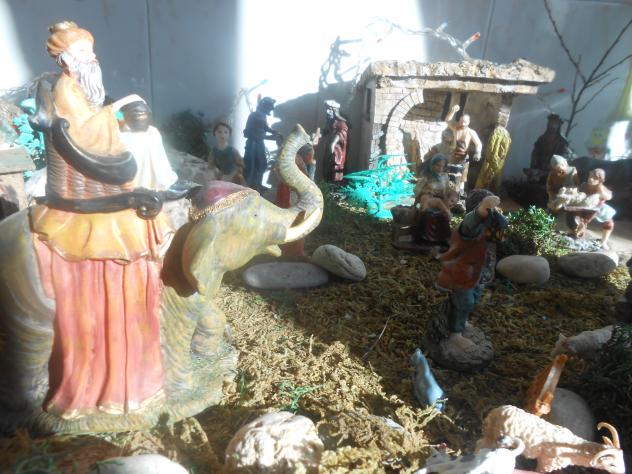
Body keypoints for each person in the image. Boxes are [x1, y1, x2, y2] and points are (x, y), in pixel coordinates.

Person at [30, 21, 173, 419]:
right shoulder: (65, 90)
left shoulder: (81, 88)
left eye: (91, 51)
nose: (91, 58)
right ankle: (103, 380)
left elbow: (93, 122)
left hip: (96, 170)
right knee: (138, 225)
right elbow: (85, 136)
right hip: (84, 184)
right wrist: (114, 110)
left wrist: (111, 114)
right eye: (82, 53)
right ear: (65, 59)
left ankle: (134, 376)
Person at [436, 189, 507, 357]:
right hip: (462, 274)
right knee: (464, 302)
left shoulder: (488, 226)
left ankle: (462, 323)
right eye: (489, 209)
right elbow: (471, 222)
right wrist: (482, 209)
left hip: (477, 274)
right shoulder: (469, 226)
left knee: (473, 300)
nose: (493, 212)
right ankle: (455, 334)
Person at [119, 100, 179, 190]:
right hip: (137, 185)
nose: (141, 117)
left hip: (138, 185)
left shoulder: (152, 133)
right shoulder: (151, 133)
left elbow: (118, 117)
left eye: (143, 114)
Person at [412, 154, 455, 246]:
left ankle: (444, 237)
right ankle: (424, 237)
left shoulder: (444, 177)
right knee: (435, 204)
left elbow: (447, 190)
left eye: (442, 166)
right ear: (432, 165)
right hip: (427, 199)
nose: (440, 168)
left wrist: (451, 195)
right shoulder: (427, 177)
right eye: (438, 165)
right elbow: (416, 189)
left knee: (442, 211)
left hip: (440, 199)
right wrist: (426, 191)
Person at [243, 97, 282, 190]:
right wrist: (270, 137)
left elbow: (265, 127)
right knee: (251, 166)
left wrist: (274, 132)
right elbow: (252, 132)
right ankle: (247, 186)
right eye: (270, 107)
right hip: (252, 144)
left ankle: (257, 185)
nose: (271, 110)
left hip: (259, 143)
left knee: (262, 164)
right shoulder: (254, 115)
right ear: (264, 106)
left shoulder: (262, 115)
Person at [445, 105, 482, 192]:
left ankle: (460, 192)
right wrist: (452, 111)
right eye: (461, 121)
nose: (462, 123)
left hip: (464, 157)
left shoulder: (471, 132)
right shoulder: (455, 128)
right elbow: (447, 120)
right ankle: (447, 189)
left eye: (465, 122)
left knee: (462, 177)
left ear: (468, 122)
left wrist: (478, 152)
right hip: (453, 155)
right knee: (448, 172)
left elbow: (478, 143)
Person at [527, 113, 572, 184]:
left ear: (559, 125)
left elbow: (564, 157)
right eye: (551, 123)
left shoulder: (562, 141)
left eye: (555, 123)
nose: (552, 126)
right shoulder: (542, 139)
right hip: (539, 168)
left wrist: (553, 166)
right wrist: (534, 166)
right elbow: (535, 153)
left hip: (553, 170)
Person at [578, 168, 616, 249]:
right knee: (579, 222)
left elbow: (608, 197)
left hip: (598, 208)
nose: (591, 179)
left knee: (609, 223)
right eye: (590, 176)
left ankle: (604, 241)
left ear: (600, 180)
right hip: (584, 208)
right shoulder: (584, 186)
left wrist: (600, 191)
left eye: (594, 178)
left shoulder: (601, 188)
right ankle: (575, 235)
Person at [546, 154, 580, 233]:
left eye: (562, 165)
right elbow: (549, 187)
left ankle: (573, 230)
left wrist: (572, 191)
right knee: (552, 209)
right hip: (557, 196)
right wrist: (552, 196)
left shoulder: (572, 171)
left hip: (570, 196)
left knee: (571, 212)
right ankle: (547, 226)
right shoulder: (553, 174)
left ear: (565, 163)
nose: (561, 168)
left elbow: (577, 185)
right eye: (558, 167)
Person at [208, 121, 245, 185]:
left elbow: (241, 165)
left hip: (235, 177)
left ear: (229, 135)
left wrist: (231, 175)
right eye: (219, 132)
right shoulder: (213, 151)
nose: (222, 135)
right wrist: (216, 173)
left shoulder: (233, 150)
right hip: (221, 176)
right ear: (214, 133)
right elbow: (211, 165)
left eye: (226, 132)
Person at [322, 100, 349, 182]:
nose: (328, 111)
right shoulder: (330, 120)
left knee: (335, 165)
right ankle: (327, 182)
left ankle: (335, 183)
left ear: (335, 110)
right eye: (327, 109)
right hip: (329, 147)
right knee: (327, 165)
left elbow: (343, 132)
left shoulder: (341, 122)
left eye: (330, 109)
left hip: (337, 150)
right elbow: (326, 131)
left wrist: (334, 142)